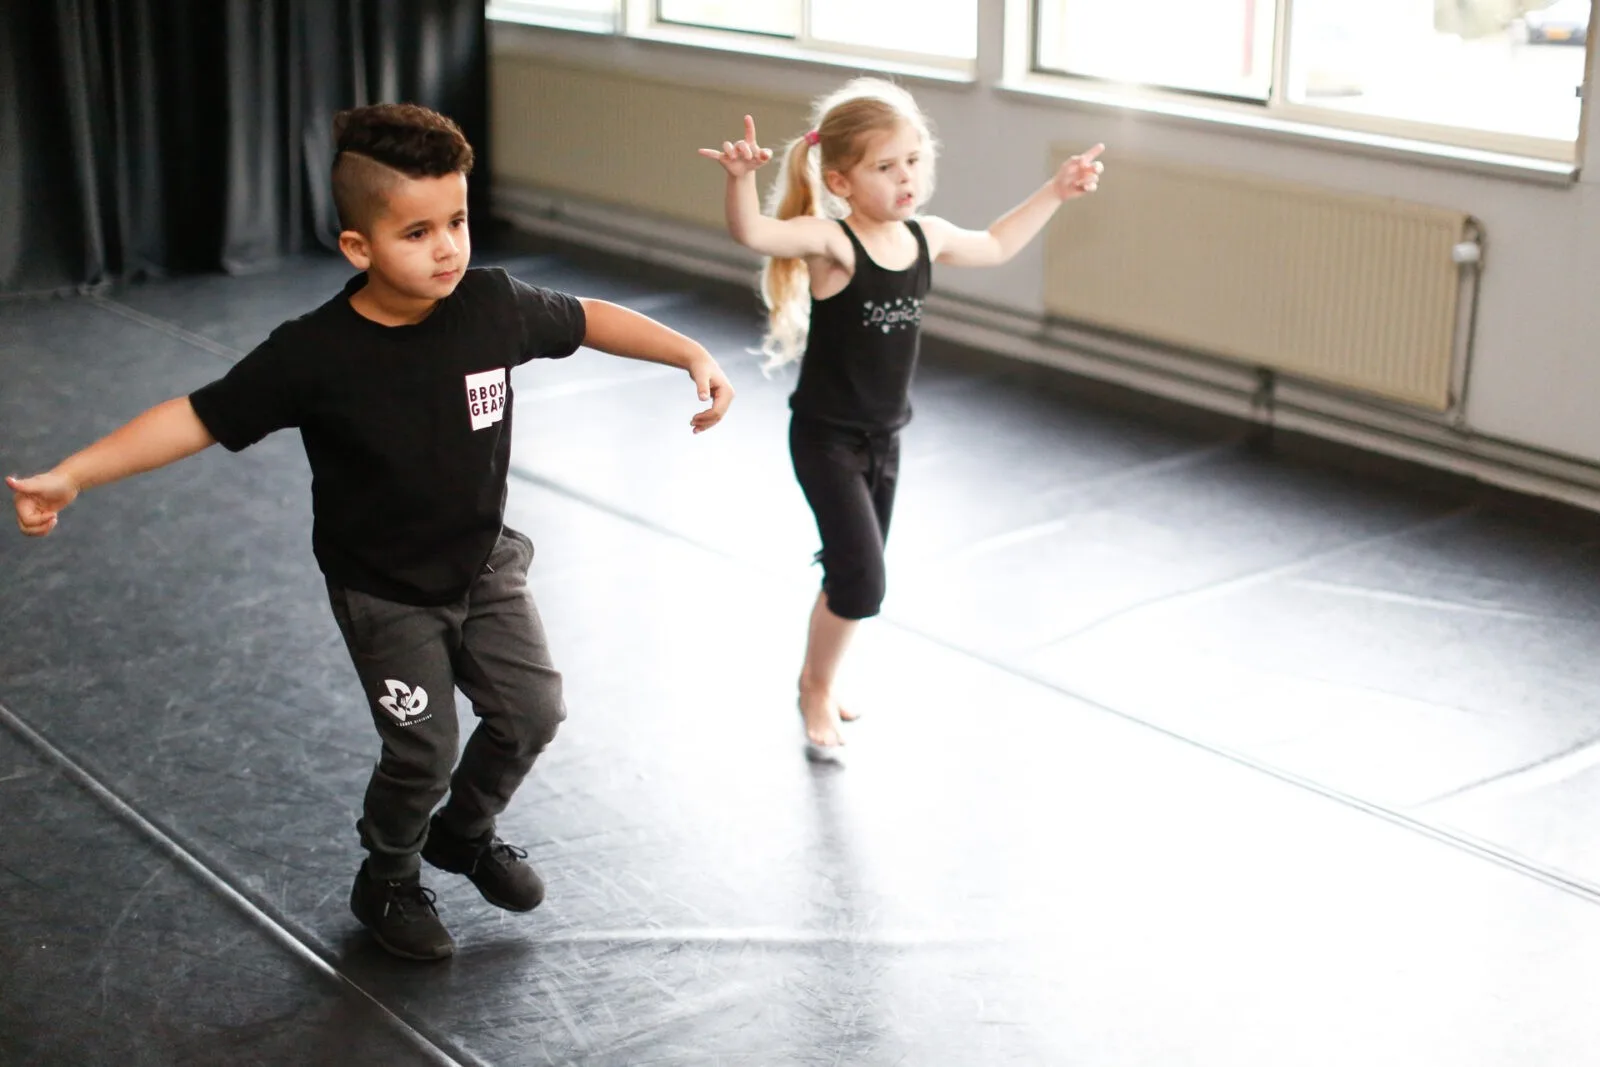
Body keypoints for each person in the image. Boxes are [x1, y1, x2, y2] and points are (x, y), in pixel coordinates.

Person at [9, 103, 735, 960]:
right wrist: (73, 474)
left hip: (484, 565)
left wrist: (691, 352)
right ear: (359, 247)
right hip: (386, 592)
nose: (447, 249)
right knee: (423, 752)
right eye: (418, 232)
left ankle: (462, 835)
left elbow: (587, 318)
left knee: (534, 712)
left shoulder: (491, 305)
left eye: (458, 221)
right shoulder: (315, 354)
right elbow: (197, 416)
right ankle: (388, 875)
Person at [699, 78, 1101, 757]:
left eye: (913, 160)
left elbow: (998, 243)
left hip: (886, 440)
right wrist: (741, 179)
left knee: (850, 577)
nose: (905, 177)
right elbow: (756, 232)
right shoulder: (835, 244)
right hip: (826, 438)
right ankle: (814, 688)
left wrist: (1055, 192)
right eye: (885, 167)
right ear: (842, 180)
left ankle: (816, 678)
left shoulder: (927, 236)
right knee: (863, 581)